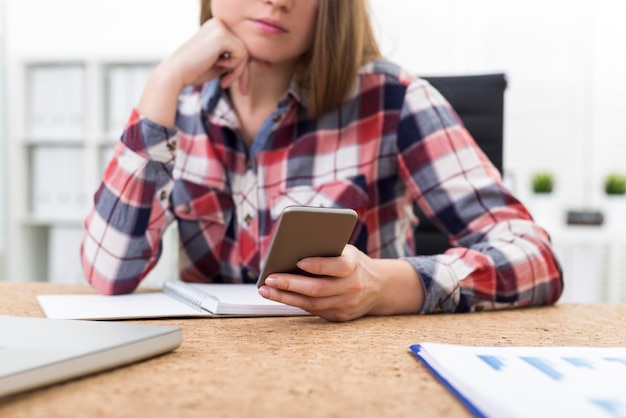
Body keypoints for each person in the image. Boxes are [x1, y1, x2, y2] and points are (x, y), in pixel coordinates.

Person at [81, 0, 563, 321]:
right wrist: (163, 82)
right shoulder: (176, 109)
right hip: (208, 372)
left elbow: (535, 257)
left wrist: (387, 284)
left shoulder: (393, 100)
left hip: (359, 371)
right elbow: (108, 273)